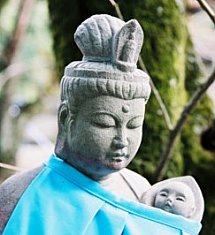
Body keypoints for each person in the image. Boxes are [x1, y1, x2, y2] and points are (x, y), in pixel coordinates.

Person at [0, 14, 203, 235]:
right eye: (105, 124)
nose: (122, 141)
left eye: (134, 125)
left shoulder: (142, 191)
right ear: (66, 119)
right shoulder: (19, 194)